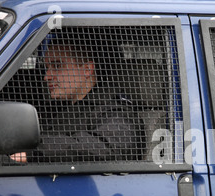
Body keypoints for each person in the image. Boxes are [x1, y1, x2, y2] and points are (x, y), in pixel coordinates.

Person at [11, 34, 145, 164]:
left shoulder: (116, 112)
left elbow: (105, 148)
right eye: (47, 68)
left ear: (87, 69)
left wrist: (36, 152)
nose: (47, 76)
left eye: (57, 66)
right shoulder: (54, 109)